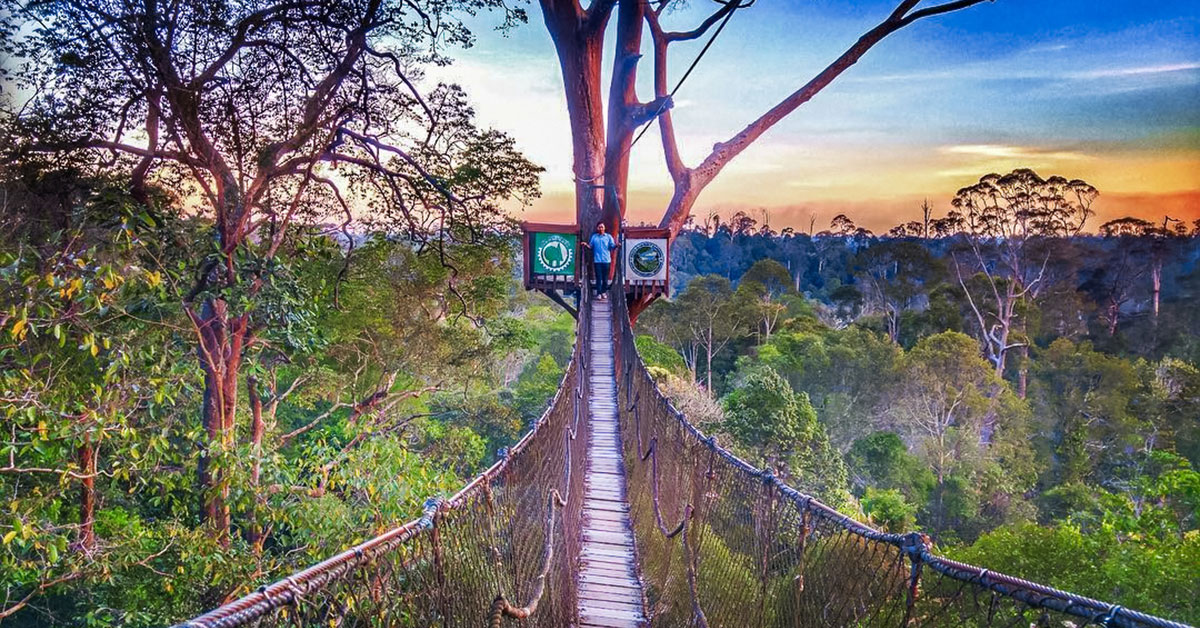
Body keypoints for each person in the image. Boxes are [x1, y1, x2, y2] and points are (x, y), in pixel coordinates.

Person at [584, 221, 616, 300]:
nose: (601, 228)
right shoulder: (594, 237)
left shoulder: (608, 237)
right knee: (598, 278)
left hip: (606, 260)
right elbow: (590, 246)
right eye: (599, 227)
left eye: (602, 227)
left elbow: (612, 246)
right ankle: (599, 293)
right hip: (597, 260)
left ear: (604, 228)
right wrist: (585, 245)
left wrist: (616, 245)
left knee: (605, 279)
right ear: (597, 228)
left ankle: (603, 292)